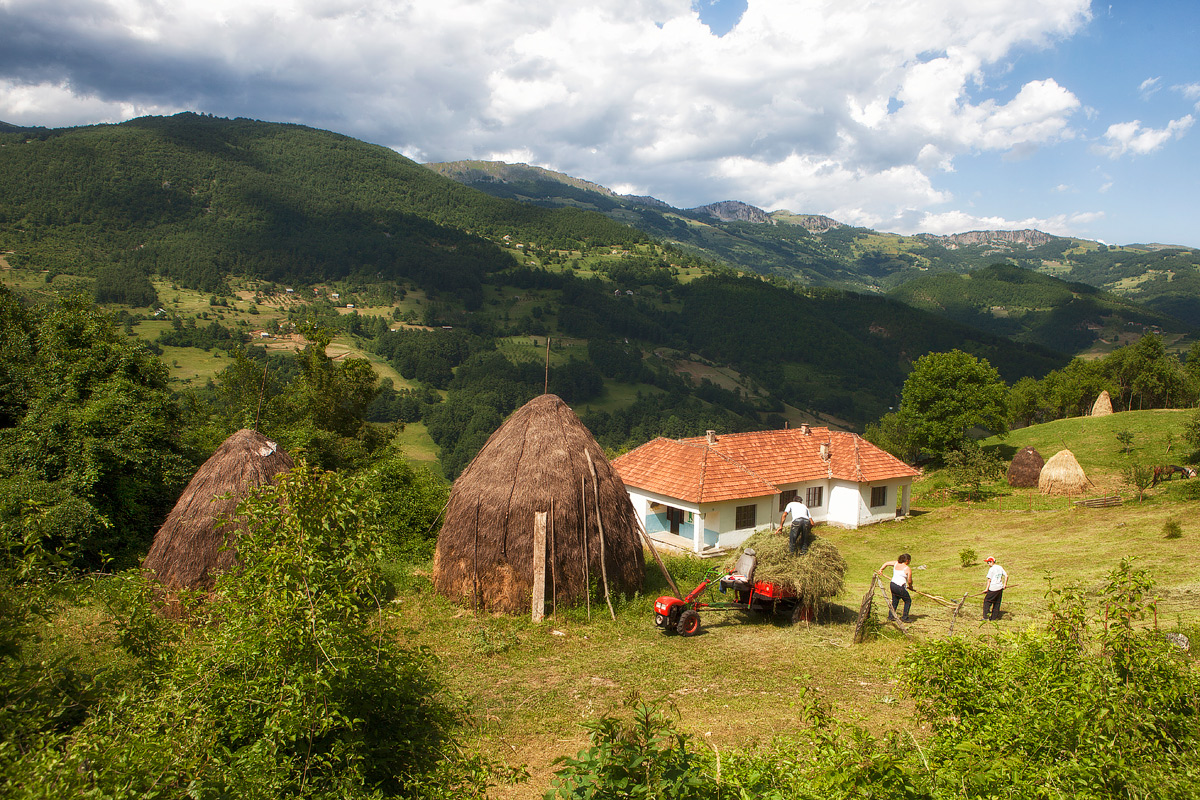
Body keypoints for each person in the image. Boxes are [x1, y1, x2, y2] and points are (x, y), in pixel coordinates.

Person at [878, 553, 913, 622]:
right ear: (907, 560)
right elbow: (909, 581)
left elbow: (886, 563)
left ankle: (891, 616)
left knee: (895, 601)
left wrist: (881, 569)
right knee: (907, 601)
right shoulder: (907, 569)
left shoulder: (896, 563)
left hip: (893, 585)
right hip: (900, 586)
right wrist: (910, 587)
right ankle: (905, 617)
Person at [982, 556, 1008, 621]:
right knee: (997, 603)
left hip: (993, 588)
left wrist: (986, 589)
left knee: (986, 602)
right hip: (1000, 588)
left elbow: (989, 580)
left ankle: (986, 617)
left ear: (992, 562)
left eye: (988, 562)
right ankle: (994, 618)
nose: (988, 564)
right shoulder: (1000, 567)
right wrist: (1004, 584)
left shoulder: (991, 569)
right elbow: (1006, 575)